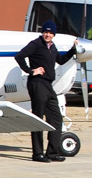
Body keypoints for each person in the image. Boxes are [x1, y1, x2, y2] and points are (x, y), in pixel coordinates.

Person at [14, 20, 79, 162]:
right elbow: (19, 56)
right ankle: (37, 154)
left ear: (53, 34)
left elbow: (61, 60)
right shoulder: (36, 44)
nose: (47, 34)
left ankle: (52, 153)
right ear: (42, 32)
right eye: (45, 32)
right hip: (37, 84)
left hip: (48, 85)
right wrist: (31, 71)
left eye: (50, 32)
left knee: (56, 118)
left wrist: (73, 50)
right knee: (38, 119)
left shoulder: (52, 46)